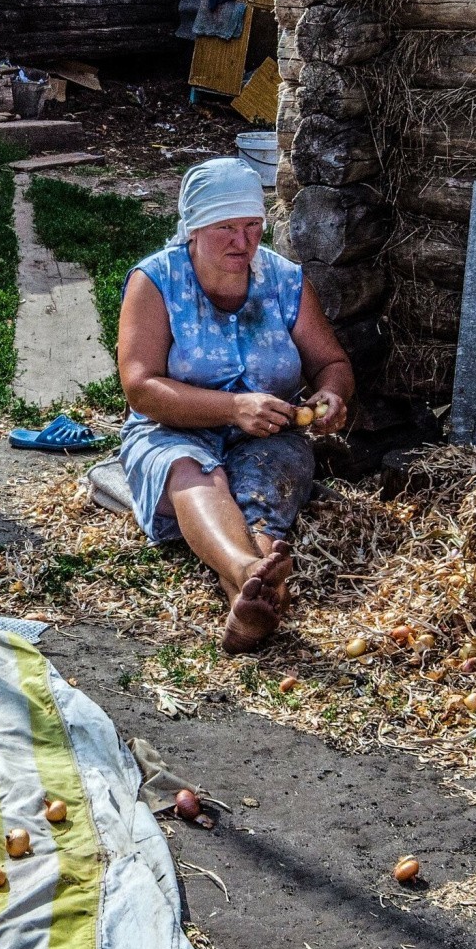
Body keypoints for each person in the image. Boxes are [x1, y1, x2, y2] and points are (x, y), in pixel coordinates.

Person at [116, 157, 353, 652]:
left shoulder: (284, 280)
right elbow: (140, 388)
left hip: (267, 433)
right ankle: (249, 571)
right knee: (193, 470)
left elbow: (331, 361)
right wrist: (230, 408)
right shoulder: (156, 281)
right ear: (194, 228)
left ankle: (252, 597)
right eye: (225, 227)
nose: (242, 243)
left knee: (266, 490)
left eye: (252, 226)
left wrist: (333, 393)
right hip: (172, 428)